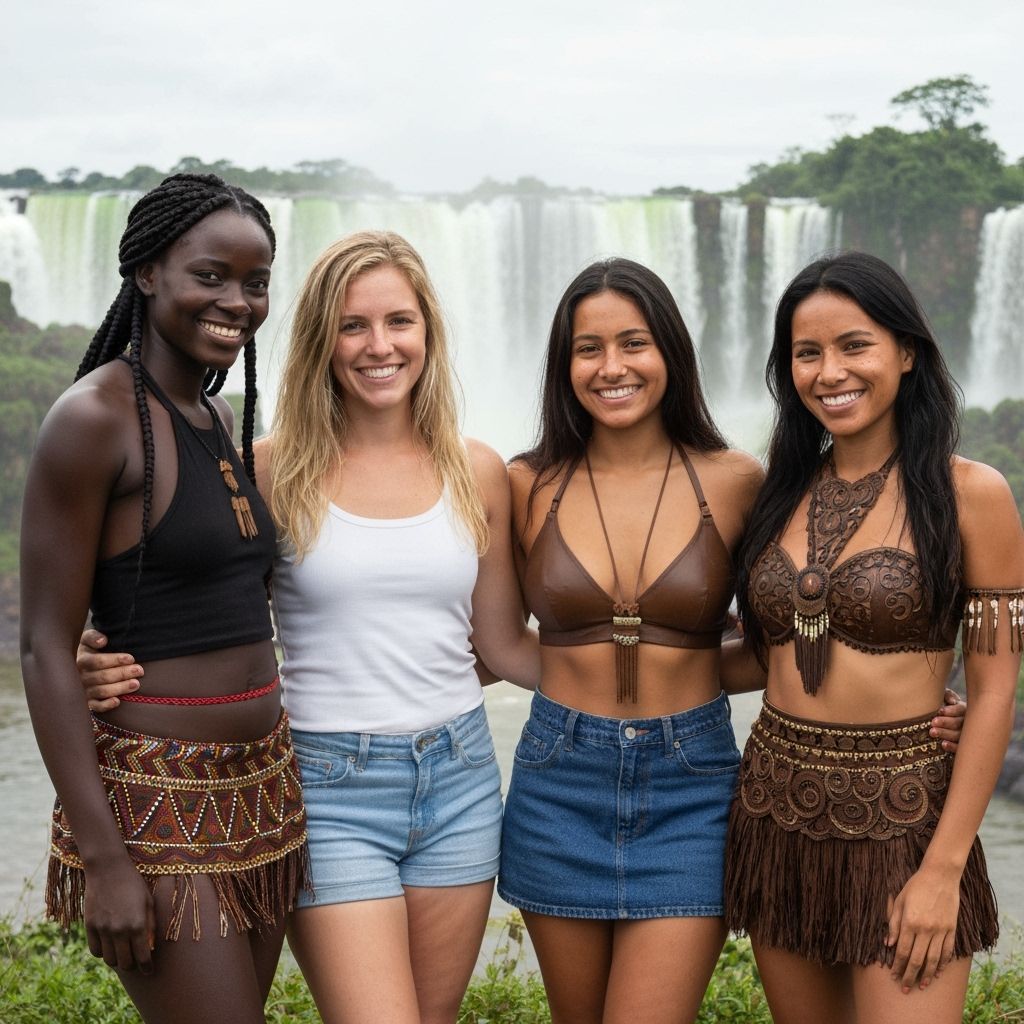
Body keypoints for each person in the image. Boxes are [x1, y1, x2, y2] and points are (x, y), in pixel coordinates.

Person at [79, 229, 541, 1024]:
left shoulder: (479, 470)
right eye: (353, 326)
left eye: (399, 321)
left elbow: (500, 649)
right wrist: (101, 651)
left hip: (461, 775)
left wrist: (668, 662)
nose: (379, 346)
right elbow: (201, 603)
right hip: (327, 787)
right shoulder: (264, 469)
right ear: (321, 341)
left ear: (428, 330)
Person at [20, 173, 310, 1024]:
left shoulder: (215, 417)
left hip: (259, 794)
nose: (238, 301)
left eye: (256, 283)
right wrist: (107, 860)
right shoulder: (93, 420)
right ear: (147, 273)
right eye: (210, 276)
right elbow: (43, 644)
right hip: (154, 808)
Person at [725, 251, 1022, 1024]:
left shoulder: (971, 494)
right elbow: (757, 657)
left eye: (854, 345)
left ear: (907, 351)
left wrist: (943, 869)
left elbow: (993, 695)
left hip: (906, 824)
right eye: (807, 352)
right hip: (776, 812)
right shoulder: (777, 490)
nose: (830, 372)